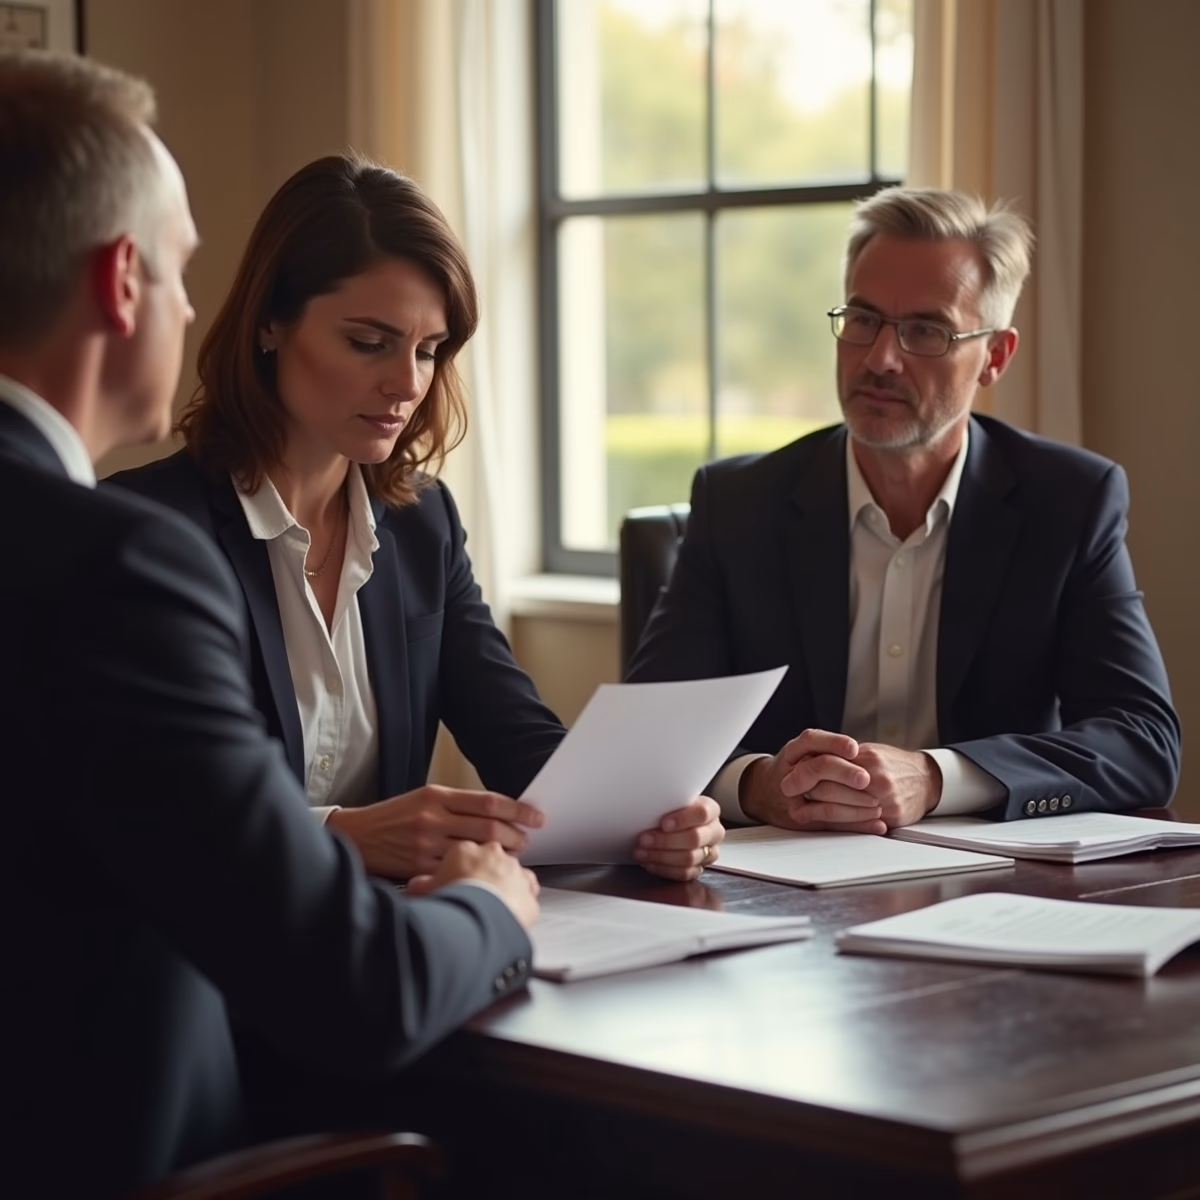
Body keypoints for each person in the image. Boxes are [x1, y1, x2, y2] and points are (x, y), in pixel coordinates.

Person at [0, 49, 540, 1198]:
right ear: (121, 282)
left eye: (429, 349)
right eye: (183, 273)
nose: (193, 308)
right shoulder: (119, 558)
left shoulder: (415, 523)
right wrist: (494, 910)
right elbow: (362, 991)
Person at [109, 151, 723, 882]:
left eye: (429, 350)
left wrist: (658, 817)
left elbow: (520, 744)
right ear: (270, 324)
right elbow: (147, 808)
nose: (406, 383)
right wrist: (343, 835)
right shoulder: (142, 533)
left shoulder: (420, 522)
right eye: (368, 342)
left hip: (390, 943)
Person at [627, 186, 1181, 834]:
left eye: (926, 330)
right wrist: (760, 785)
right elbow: (645, 738)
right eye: (862, 319)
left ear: (995, 358)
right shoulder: (738, 505)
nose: (880, 359)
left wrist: (937, 776)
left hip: (988, 892)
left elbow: (1141, 742)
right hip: (779, 886)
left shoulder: (1068, 502)